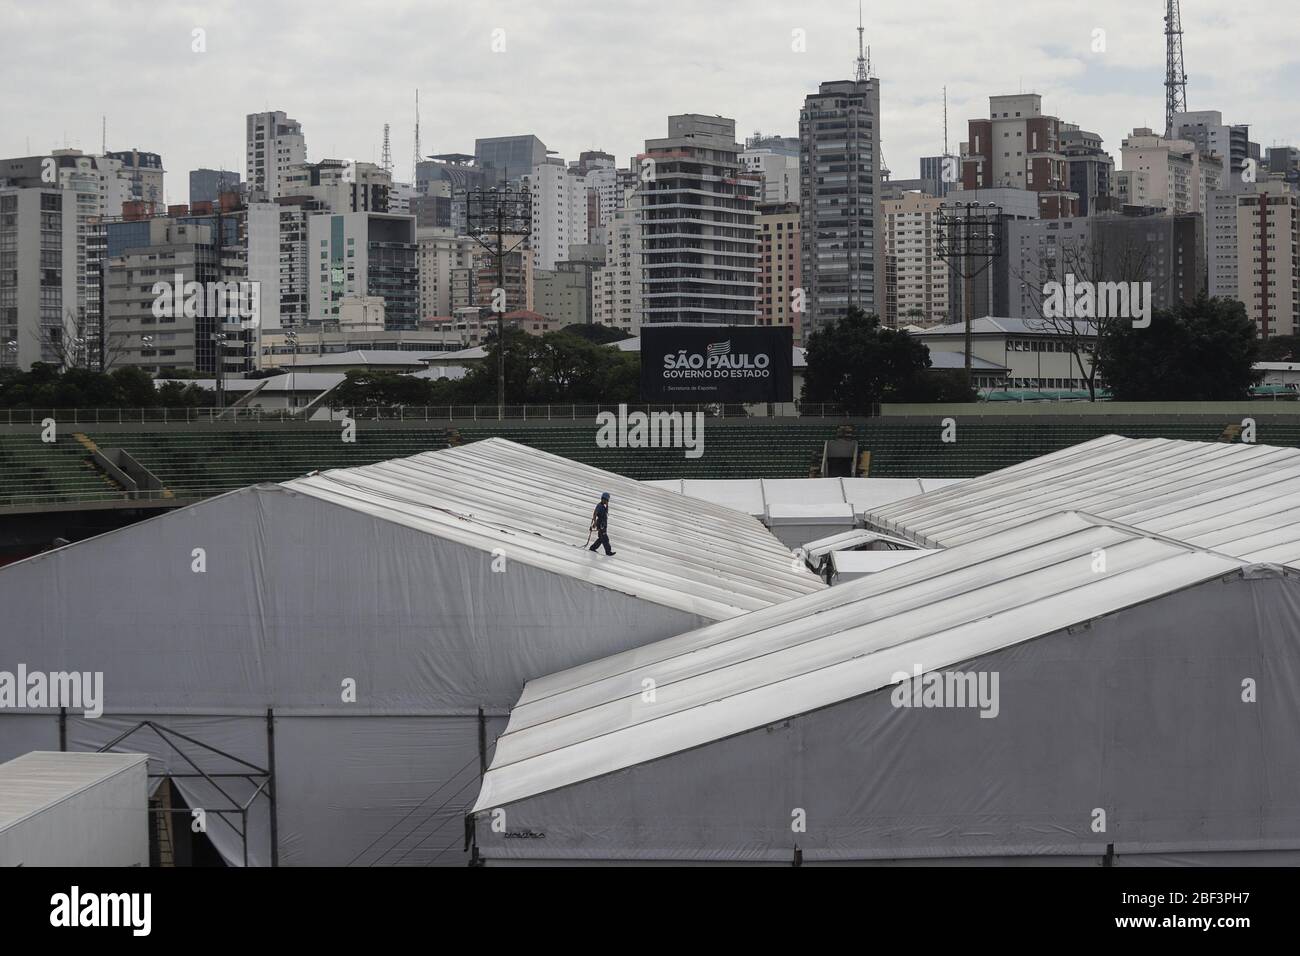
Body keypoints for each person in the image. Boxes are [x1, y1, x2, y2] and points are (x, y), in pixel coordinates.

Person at [588, 492, 616, 556]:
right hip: (601, 525)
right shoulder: (599, 506)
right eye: (606, 500)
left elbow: (606, 512)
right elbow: (595, 514)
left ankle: (592, 548)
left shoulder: (603, 506)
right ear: (603, 499)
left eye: (607, 500)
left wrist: (607, 505)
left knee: (601, 538)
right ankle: (608, 552)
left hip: (603, 525)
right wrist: (595, 523)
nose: (606, 501)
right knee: (605, 539)